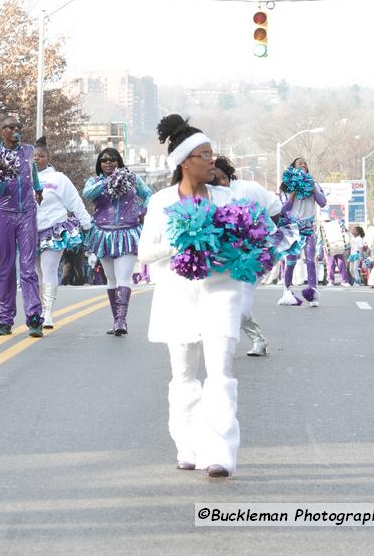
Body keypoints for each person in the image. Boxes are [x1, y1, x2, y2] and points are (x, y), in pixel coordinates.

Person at [138, 114, 240, 478]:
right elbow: (145, 253)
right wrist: (180, 241)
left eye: (212, 154)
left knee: (220, 372)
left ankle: (220, 453)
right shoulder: (161, 201)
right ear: (184, 161)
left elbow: (255, 235)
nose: (212, 161)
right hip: (178, 296)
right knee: (183, 374)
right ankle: (188, 445)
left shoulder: (229, 197)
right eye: (205, 155)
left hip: (220, 292)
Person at [212, 156, 282, 357]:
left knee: (243, 297)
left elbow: (276, 208)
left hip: (260, 252)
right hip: (231, 255)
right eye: (215, 181)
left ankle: (220, 341)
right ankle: (258, 340)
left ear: (229, 174)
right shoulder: (211, 195)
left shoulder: (248, 188)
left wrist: (266, 232)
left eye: (224, 177)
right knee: (234, 299)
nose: (222, 183)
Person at [82, 147, 153, 336]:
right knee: (111, 278)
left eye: (112, 159)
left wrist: (141, 211)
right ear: (99, 163)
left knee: (123, 277)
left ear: (119, 161)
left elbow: (149, 195)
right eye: (104, 160)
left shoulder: (131, 179)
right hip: (103, 234)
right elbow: (87, 194)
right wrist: (107, 183)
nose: (108, 163)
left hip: (127, 233)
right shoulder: (94, 181)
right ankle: (116, 320)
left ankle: (121, 320)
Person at [0, 116, 45, 338]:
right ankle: (4, 319)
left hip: (27, 212)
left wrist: (38, 190)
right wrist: (1, 175)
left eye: (18, 127)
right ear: (2, 131)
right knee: (6, 267)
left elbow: (34, 174)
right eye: (11, 127)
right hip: (5, 214)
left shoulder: (29, 151)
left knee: (28, 267)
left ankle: (33, 318)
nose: (16, 130)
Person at [34, 138, 92, 327]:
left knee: (49, 269)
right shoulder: (25, 179)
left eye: (41, 156)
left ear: (48, 158)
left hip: (53, 229)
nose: (37, 159)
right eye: (33, 157)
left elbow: (74, 202)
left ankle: (48, 312)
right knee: (37, 273)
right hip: (30, 232)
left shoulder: (58, 178)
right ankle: (38, 309)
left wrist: (86, 224)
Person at [277, 157, 327, 306]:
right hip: (292, 228)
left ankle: (313, 293)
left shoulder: (314, 184)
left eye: (305, 163)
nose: (303, 164)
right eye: (299, 163)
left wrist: (312, 189)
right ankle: (287, 292)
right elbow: (282, 210)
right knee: (291, 261)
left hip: (308, 228)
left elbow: (323, 203)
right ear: (293, 168)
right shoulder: (287, 186)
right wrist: (291, 196)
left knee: (311, 260)